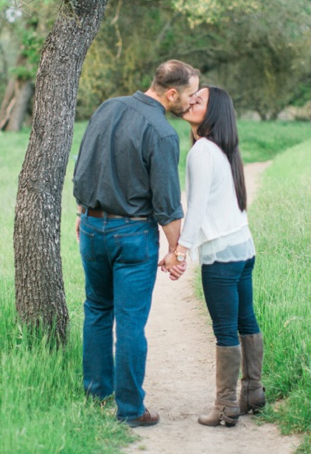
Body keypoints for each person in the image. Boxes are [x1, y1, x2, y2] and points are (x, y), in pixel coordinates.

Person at [73, 60, 200, 427]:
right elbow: (167, 203)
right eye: (190, 95)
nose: (191, 103)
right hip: (132, 236)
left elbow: (84, 166)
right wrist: (175, 251)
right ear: (171, 93)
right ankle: (130, 410)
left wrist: (84, 212)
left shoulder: (107, 107)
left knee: (97, 309)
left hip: (92, 228)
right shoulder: (161, 132)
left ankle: (97, 393)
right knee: (130, 322)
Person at [160, 86, 265, 427]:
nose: (190, 101)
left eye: (199, 100)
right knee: (245, 320)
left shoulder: (202, 151)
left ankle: (225, 407)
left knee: (224, 329)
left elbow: (198, 208)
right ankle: (252, 392)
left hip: (221, 254)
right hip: (242, 248)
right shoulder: (222, 150)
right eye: (192, 97)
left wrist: (180, 251)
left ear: (213, 112)